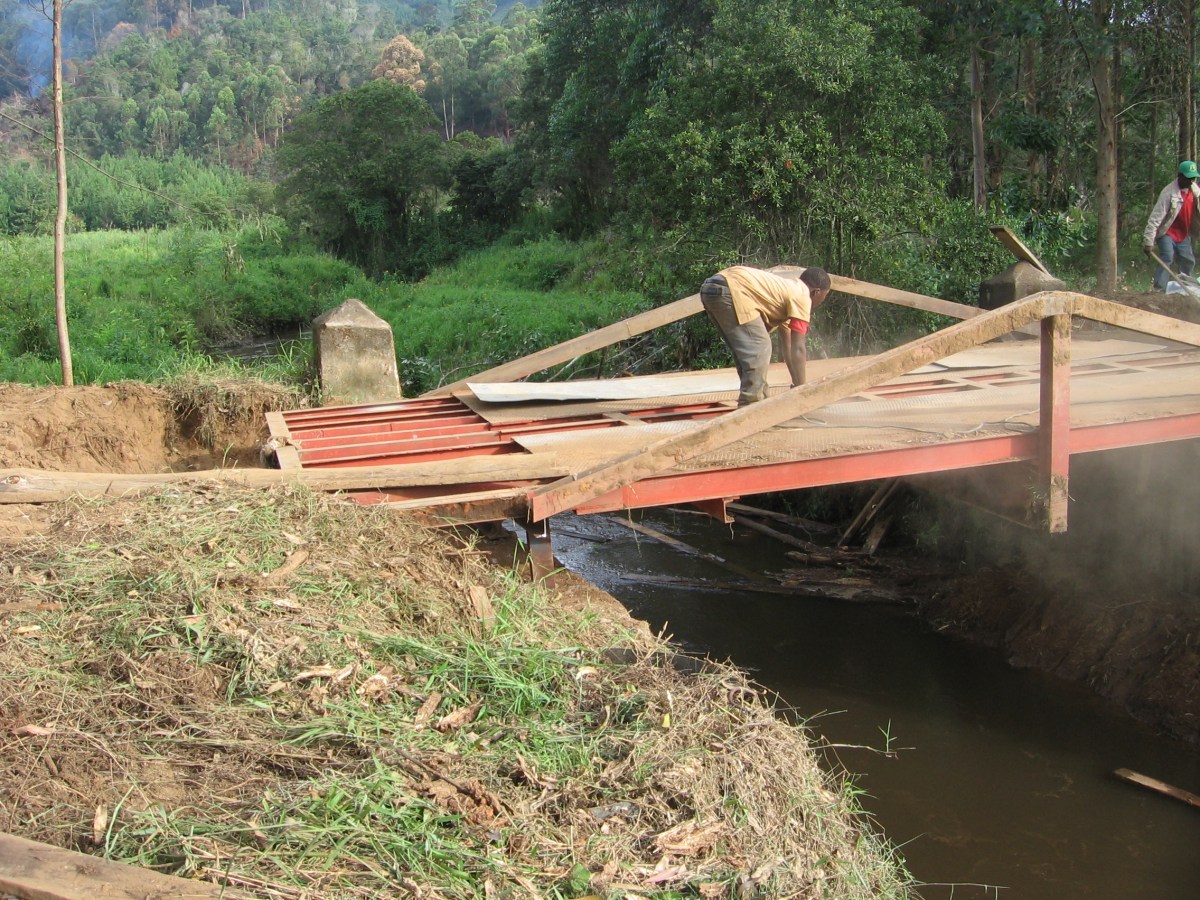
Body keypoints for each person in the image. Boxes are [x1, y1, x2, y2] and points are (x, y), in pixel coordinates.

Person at [699, 265, 831, 406]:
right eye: (822, 299)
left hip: (711, 288)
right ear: (816, 292)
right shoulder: (803, 296)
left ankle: (762, 405)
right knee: (760, 346)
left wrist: (797, 385)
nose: (819, 304)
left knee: (747, 351)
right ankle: (749, 410)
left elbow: (790, 349)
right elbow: (798, 349)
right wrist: (804, 392)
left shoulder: (787, 291)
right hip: (732, 289)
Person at [1142, 160, 1200, 291]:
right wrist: (1148, 241)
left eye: (1193, 178)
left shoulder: (1196, 191)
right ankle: (1159, 289)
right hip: (1167, 232)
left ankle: (1185, 289)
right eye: (1188, 178)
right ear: (1180, 176)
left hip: (1183, 233)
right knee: (1167, 256)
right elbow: (1155, 218)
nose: (1191, 181)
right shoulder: (1168, 193)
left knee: (1188, 260)